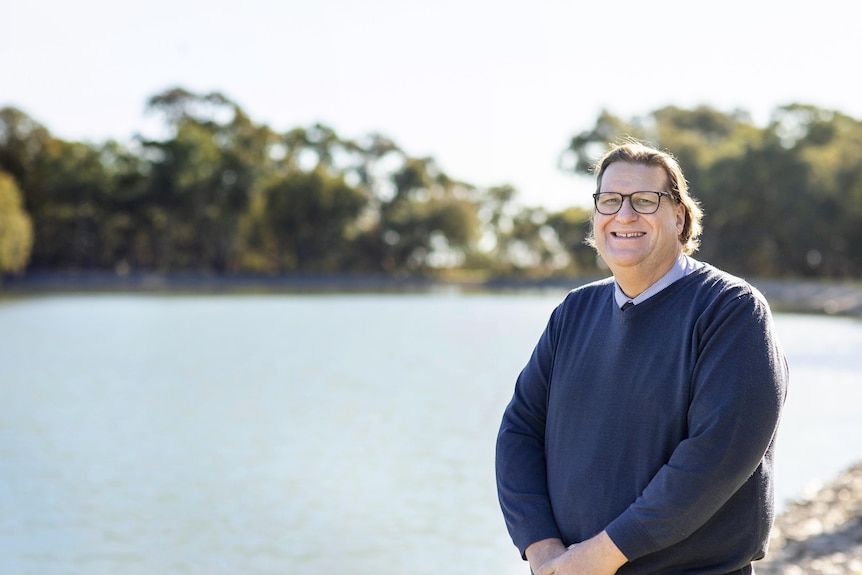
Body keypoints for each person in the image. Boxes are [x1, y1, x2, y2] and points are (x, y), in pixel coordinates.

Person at [495, 140, 789, 575]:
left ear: (679, 216)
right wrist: (542, 550)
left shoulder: (731, 310)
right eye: (609, 200)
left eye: (645, 201)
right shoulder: (574, 312)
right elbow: (519, 432)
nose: (624, 214)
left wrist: (603, 555)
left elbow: (715, 458)